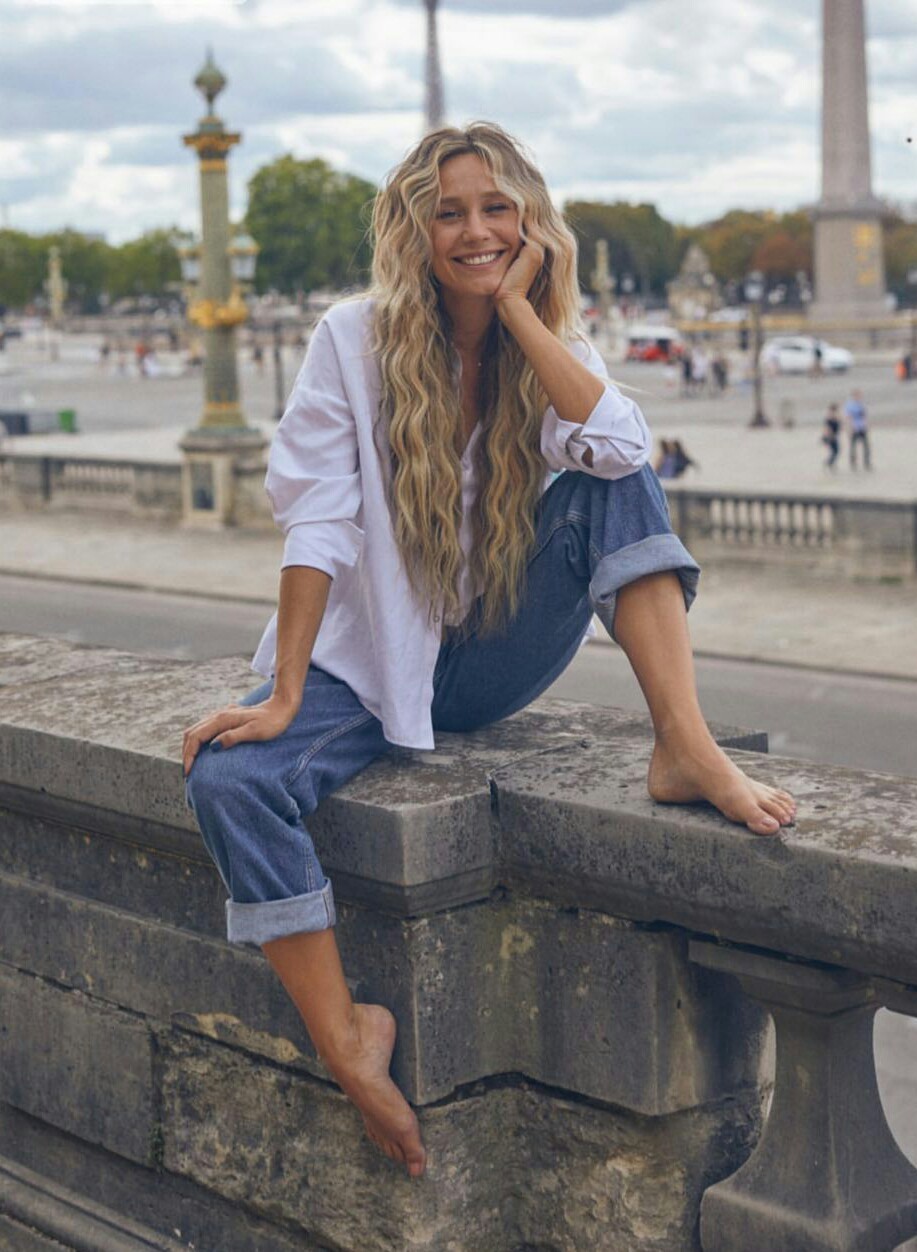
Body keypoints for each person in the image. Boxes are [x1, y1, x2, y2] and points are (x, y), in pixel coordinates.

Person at [181, 123, 796, 1180]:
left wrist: (517, 311)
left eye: (497, 208)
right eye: (450, 211)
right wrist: (283, 691)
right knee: (230, 783)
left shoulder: (544, 335)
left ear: (530, 223)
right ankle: (347, 1039)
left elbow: (622, 449)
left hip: (490, 657)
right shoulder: (351, 339)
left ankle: (683, 746)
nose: (475, 230)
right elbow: (318, 522)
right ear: (413, 229)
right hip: (366, 667)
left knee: (608, 482)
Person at [845, 388, 871, 470]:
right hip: (854, 427)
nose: (859, 397)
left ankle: (866, 462)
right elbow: (848, 417)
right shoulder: (850, 405)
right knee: (853, 446)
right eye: (858, 395)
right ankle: (853, 463)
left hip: (861, 427)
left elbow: (864, 415)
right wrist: (849, 428)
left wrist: (866, 425)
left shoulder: (861, 404)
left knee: (866, 446)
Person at [821, 403, 841, 470]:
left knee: (835, 451)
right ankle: (829, 463)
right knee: (835, 451)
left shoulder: (835, 418)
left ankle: (829, 463)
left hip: (834, 436)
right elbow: (827, 428)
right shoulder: (829, 419)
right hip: (831, 437)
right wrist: (830, 437)